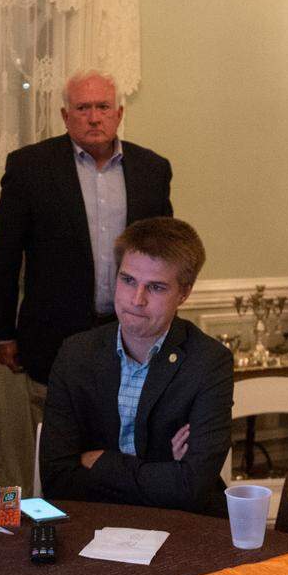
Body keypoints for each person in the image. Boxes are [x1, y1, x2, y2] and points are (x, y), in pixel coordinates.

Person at [0, 70, 173, 426]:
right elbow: (5, 254)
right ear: (64, 115)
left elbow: (166, 256)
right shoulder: (30, 167)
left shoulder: (152, 169)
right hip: (53, 336)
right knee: (54, 444)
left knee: (126, 437)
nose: (94, 117)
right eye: (82, 107)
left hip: (132, 334)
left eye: (103, 106)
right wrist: (2, 331)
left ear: (118, 114)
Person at [38, 218, 232, 516]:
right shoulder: (76, 354)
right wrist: (165, 470)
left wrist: (100, 461)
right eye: (128, 280)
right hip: (91, 523)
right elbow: (58, 480)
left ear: (184, 293)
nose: (136, 300)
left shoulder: (208, 361)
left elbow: (193, 487)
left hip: (183, 527)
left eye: (155, 287)